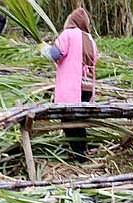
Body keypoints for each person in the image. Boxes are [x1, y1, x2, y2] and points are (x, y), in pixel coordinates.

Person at [39, 7, 98, 161]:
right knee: (80, 119)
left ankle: (79, 155)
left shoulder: (68, 34)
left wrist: (44, 48)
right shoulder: (90, 39)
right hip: (86, 87)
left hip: (71, 87)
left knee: (68, 120)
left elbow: (56, 54)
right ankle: (83, 148)